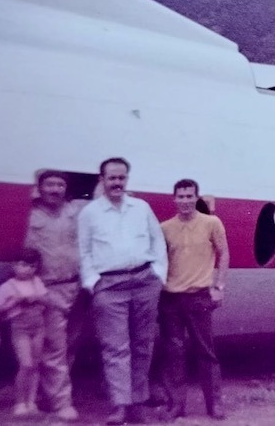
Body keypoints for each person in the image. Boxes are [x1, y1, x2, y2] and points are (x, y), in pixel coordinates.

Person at [78, 157, 167, 425]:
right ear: (101, 180)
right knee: (115, 348)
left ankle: (137, 403)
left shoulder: (141, 208)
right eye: (112, 178)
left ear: (127, 179)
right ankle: (120, 405)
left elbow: (158, 241)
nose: (117, 183)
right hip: (109, 287)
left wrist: (158, 275)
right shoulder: (89, 214)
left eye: (121, 178)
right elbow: (84, 252)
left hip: (143, 282)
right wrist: (93, 283)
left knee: (143, 345)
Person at [159, 178, 229, 421]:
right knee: (173, 353)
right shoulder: (165, 228)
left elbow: (224, 253)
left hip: (199, 298)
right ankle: (176, 405)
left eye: (190, 196)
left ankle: (214, 405)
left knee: (206, 353)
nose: (185, 201)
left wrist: (219, 285)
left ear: (196, 198)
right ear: (174, 199)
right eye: (181, 196)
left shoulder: (211, 223)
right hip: (171, 300)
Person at [24, 169, 84, 422]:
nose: (55, 189)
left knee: (70, 344)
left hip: (78, 286)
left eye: (60, 184)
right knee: (55, 348)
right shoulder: (31, 215)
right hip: (49, 289)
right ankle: (61, 403)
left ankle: (48, 395)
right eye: (50, 184)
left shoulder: (76, 212)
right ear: (40, 187)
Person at [0, 248, 49, 418]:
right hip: (20, 328)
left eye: (32, 266)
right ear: (14, 266)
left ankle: (31, 402)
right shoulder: (8, 286)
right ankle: (19, 402)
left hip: (38, 326)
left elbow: (46, 299)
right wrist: (13, 303)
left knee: (35, 364)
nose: (28, 269)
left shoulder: (37, 282)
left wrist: (38, 299)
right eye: (23, 265)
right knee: (25, 364)